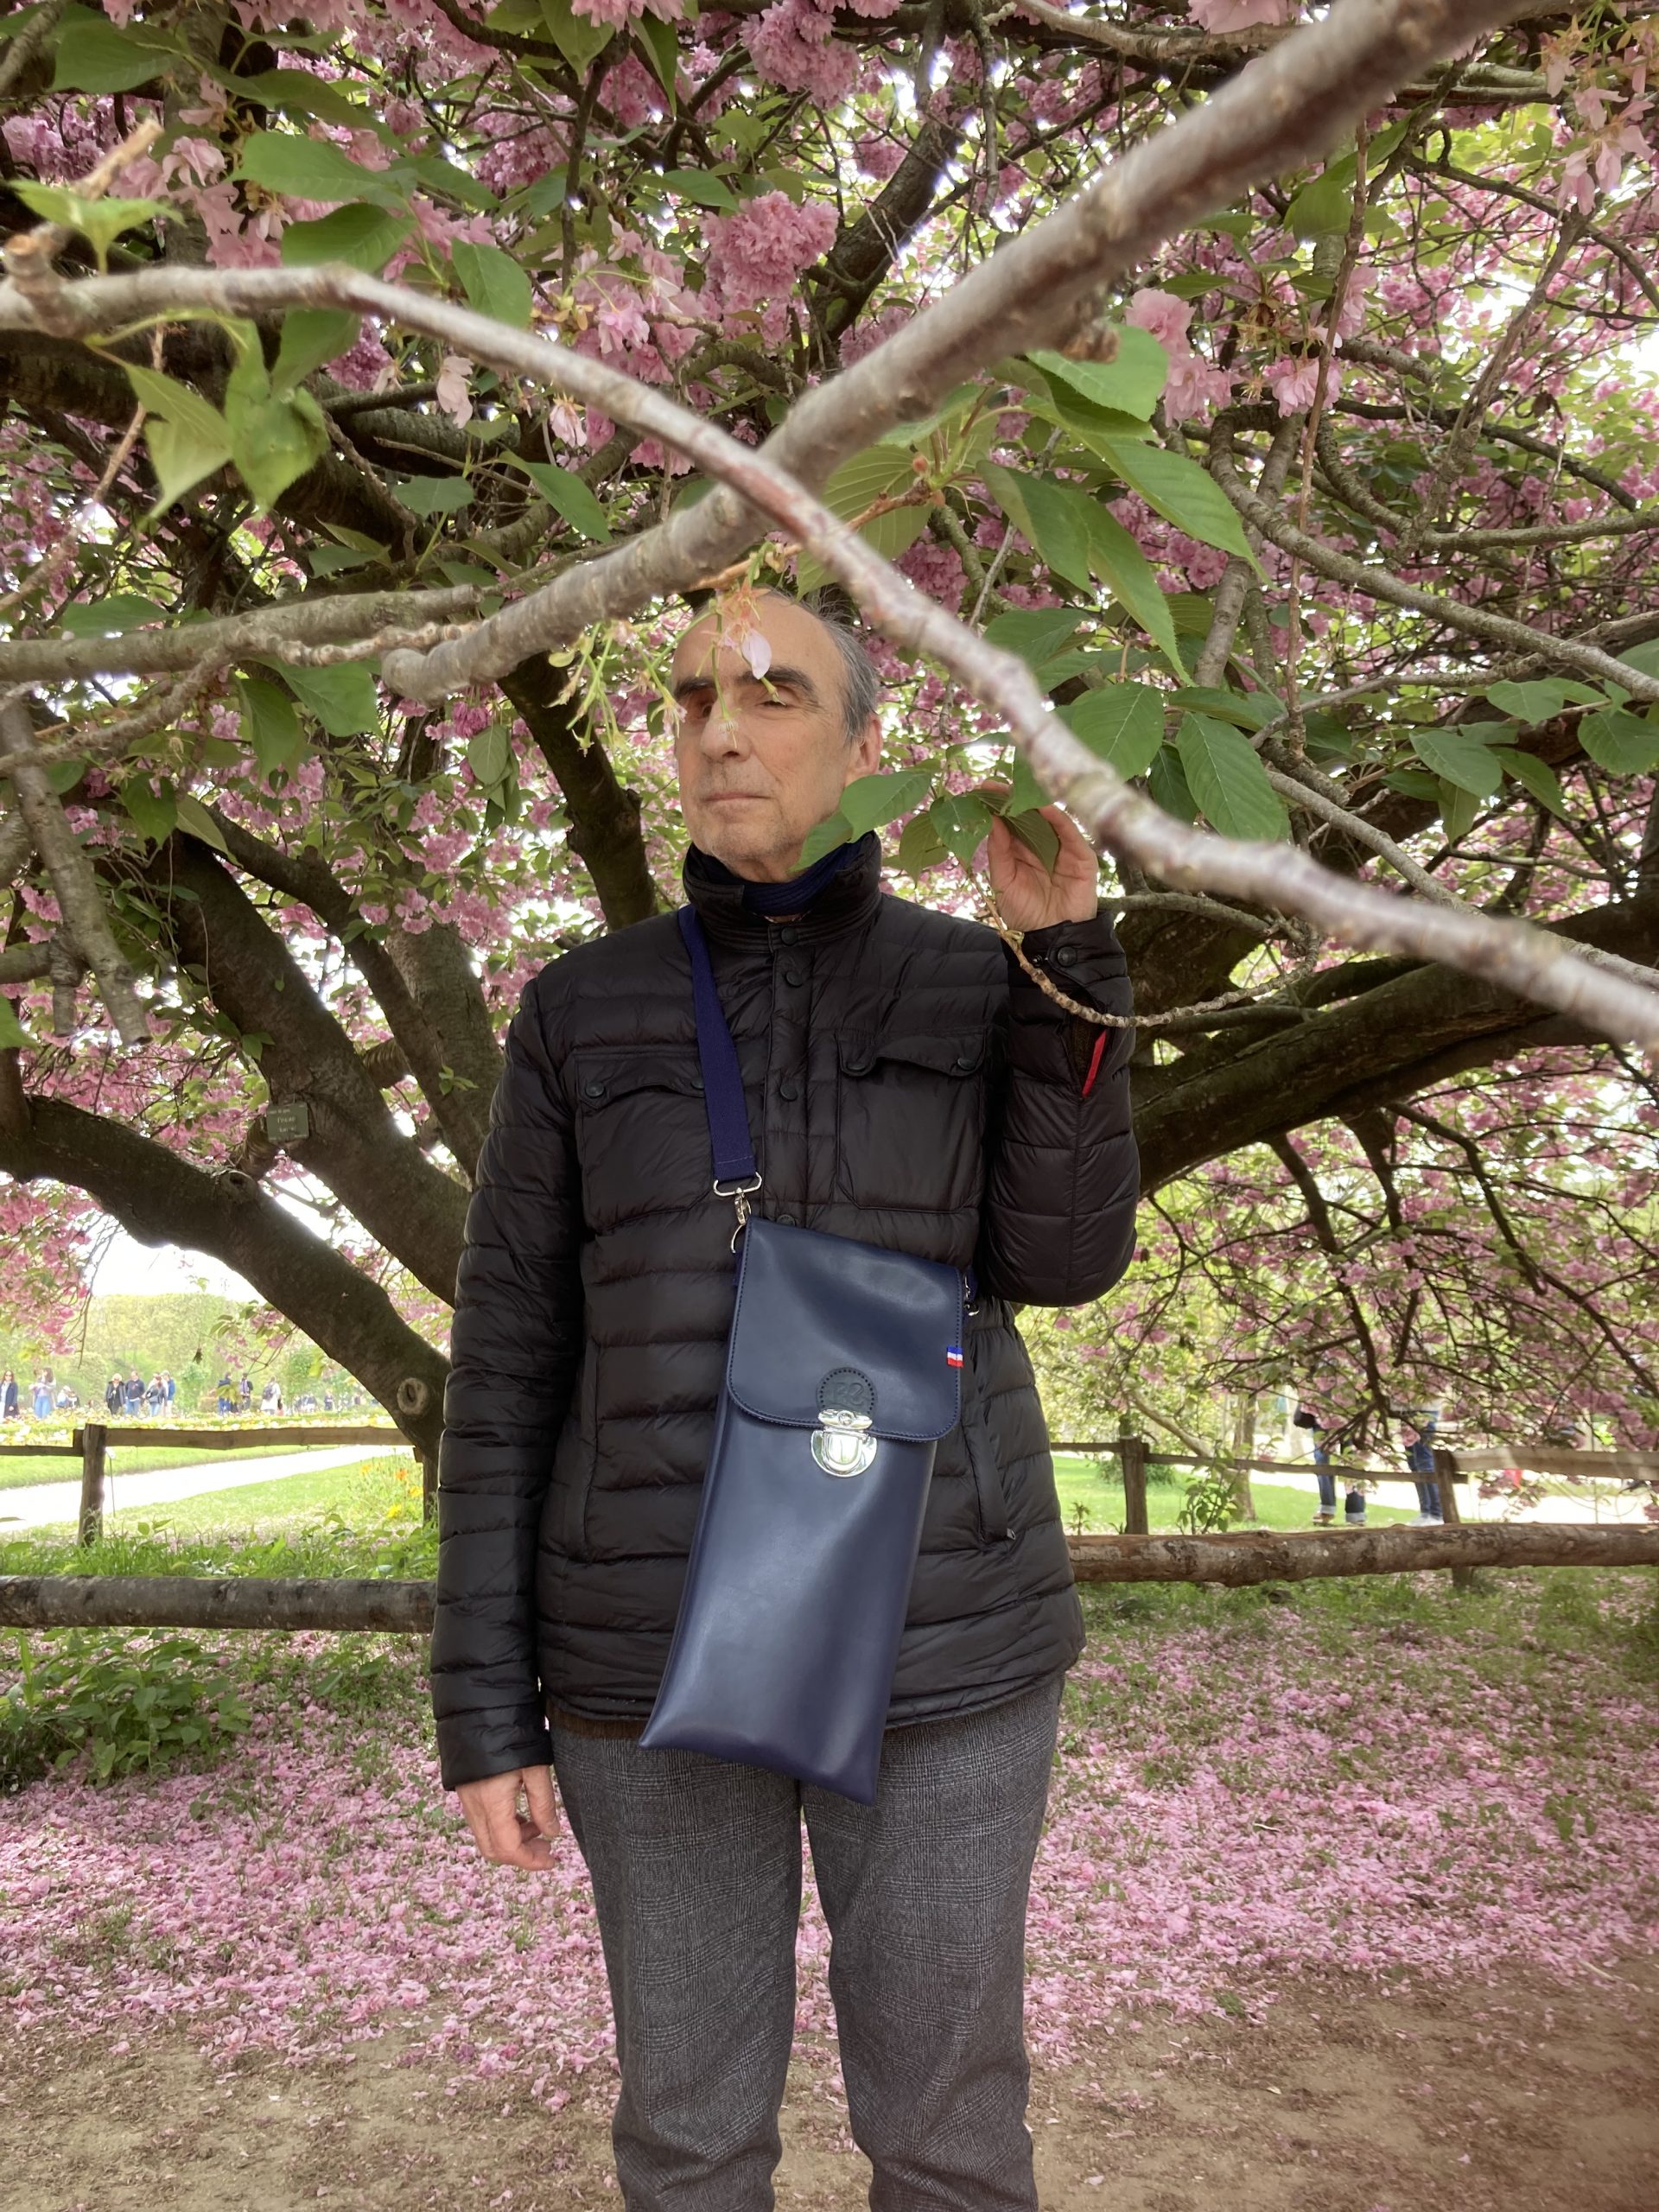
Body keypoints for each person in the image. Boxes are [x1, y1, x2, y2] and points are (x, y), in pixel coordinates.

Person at [430, 587, 1140, 2210]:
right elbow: (511, 1361)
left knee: (951, 2136)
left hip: (942, 1647)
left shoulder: (986, 979)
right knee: (685, 2139)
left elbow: (1067, 1252)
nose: (721, 731)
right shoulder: (578, 1010)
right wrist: (485, 1705)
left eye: (771, 694)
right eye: (689, 701)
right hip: (646, 1655)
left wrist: (1068, 966)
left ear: (871, 745)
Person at [1294, 1400, 1366, 1526]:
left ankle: (1356, 1512)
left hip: (1349, 1410)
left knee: (1352, 1460)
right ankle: (1327, 1508)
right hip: (1321, 1410)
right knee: (1322, 1460)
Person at [1403, 1406, 1442, 1522]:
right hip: (1406, 1409)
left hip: (1424, 1408)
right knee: (1414, 1463)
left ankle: (1436, 1513)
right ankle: (1425, 1512)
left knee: (1424, 1462)